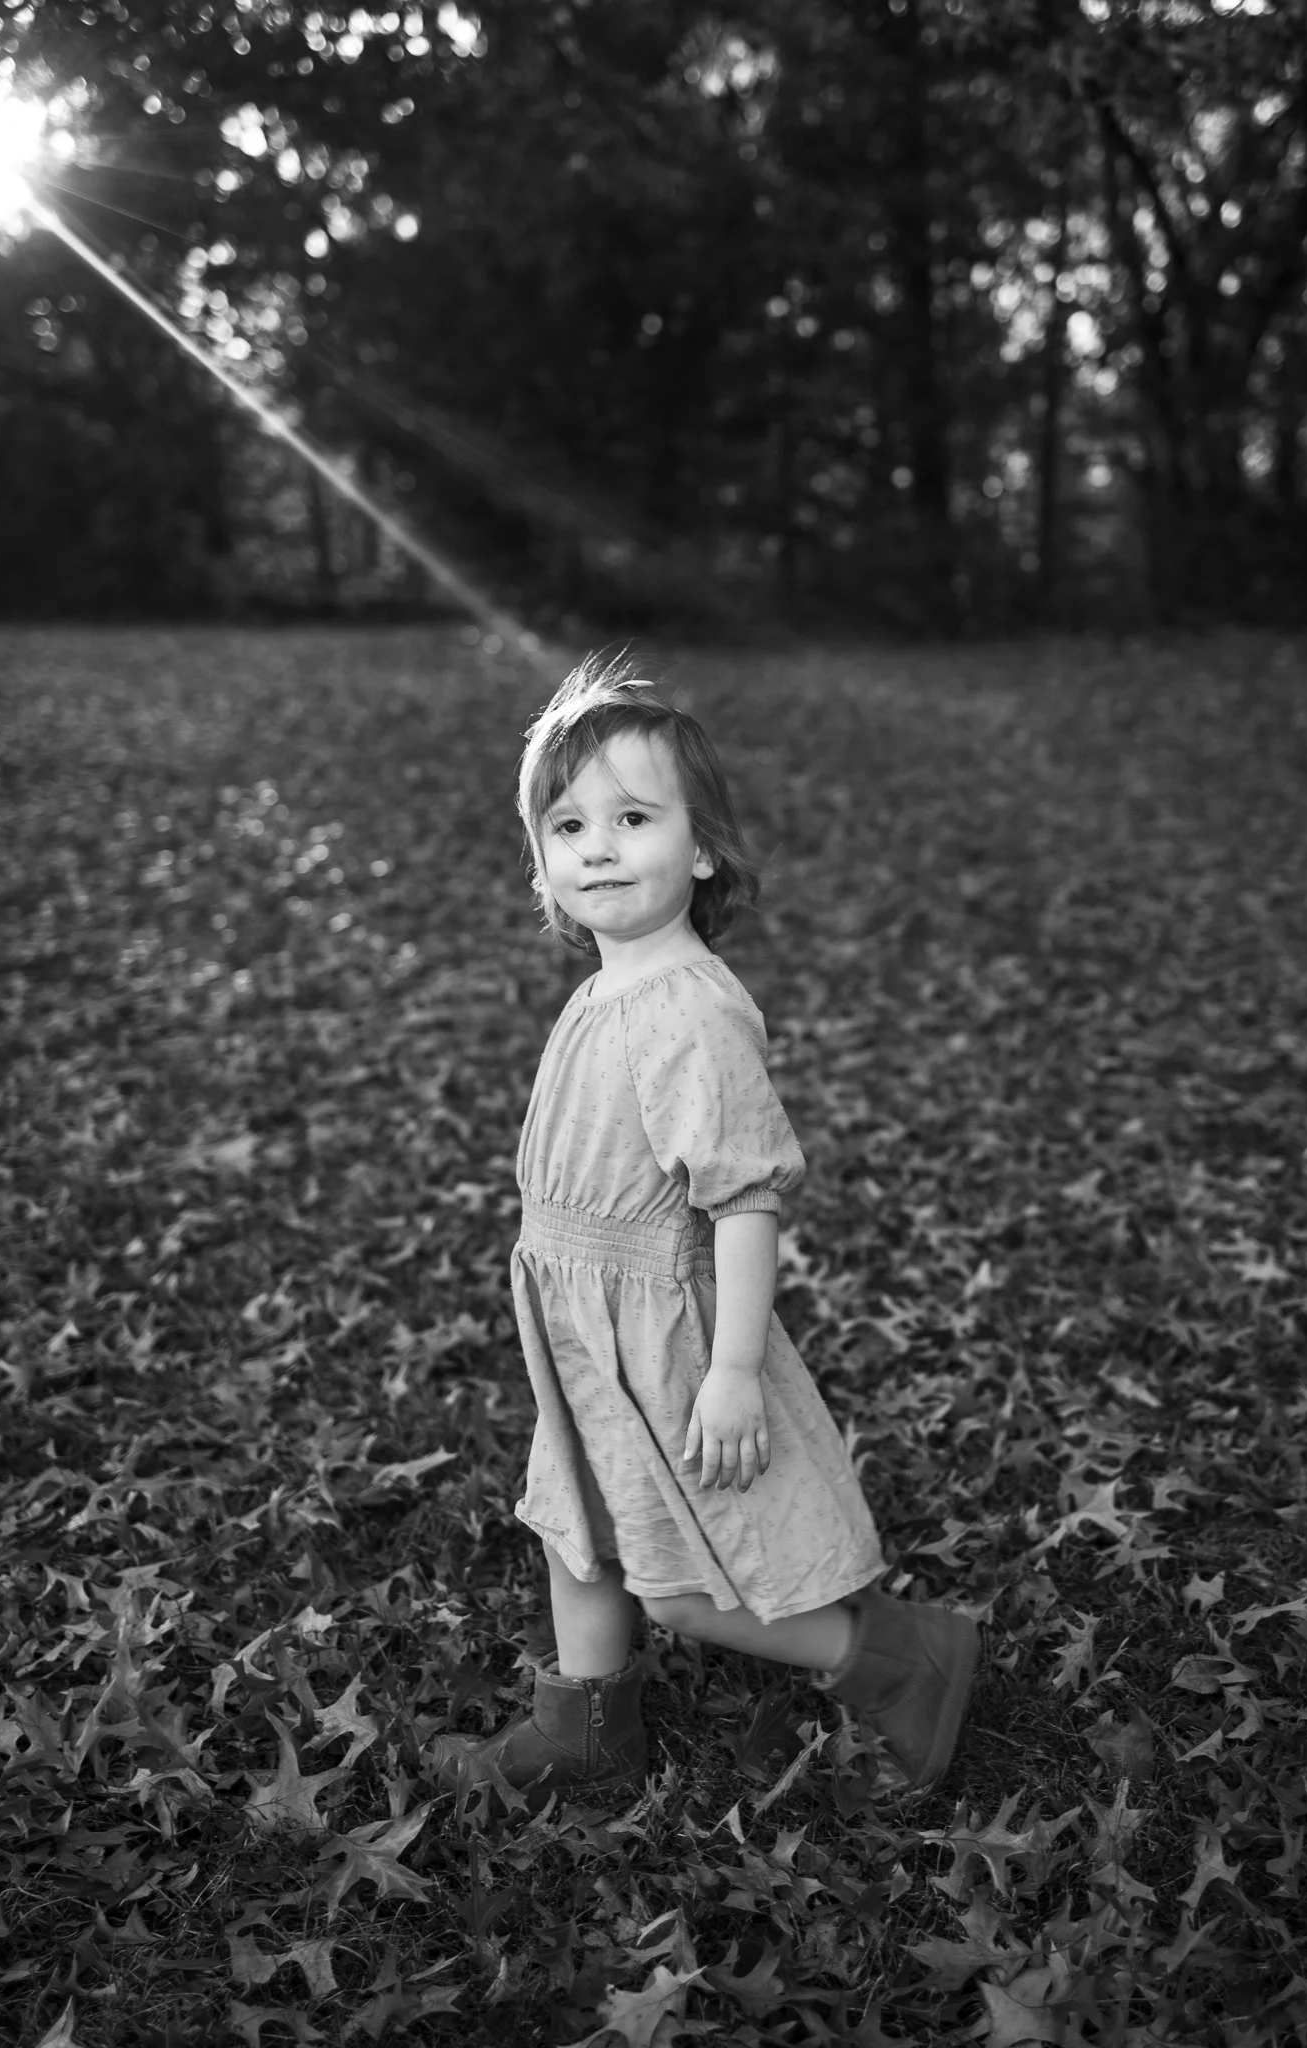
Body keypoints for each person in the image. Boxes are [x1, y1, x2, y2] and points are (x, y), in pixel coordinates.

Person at [429, 656, 978, 1805]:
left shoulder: (690, 1010)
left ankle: (897, 1657)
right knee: (578, 1525)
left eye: (634, 817)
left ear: (704, 847)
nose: (599, 846)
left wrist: (730, 1372)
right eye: (568, 825)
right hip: (587, 1322)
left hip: (665, 1337)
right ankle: (586, 1723)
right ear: (540, 860)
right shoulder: (611, 985)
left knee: (680, 1580)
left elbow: (743, 1199)